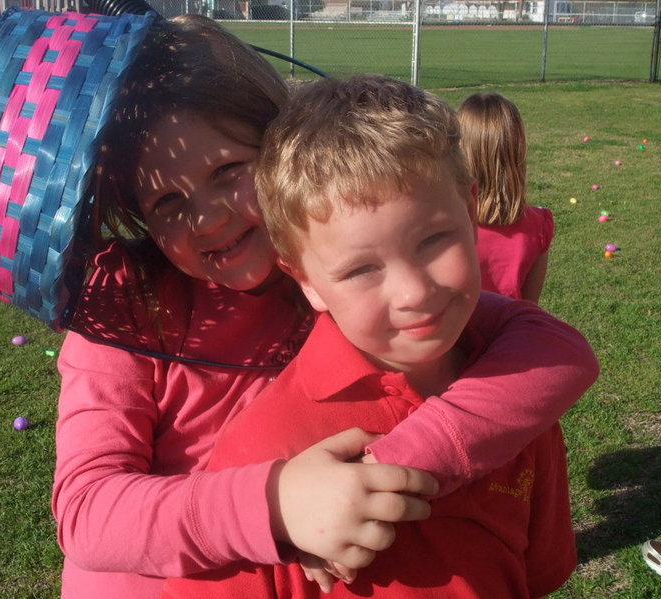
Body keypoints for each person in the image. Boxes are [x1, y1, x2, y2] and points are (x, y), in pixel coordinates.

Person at [52, 16, 598, 599]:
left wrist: (387, 467)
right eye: (166, 200)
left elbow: (550, 348)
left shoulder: (347, 273)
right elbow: (87, 512)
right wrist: (277, 504)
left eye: (230, 171)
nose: (208, 217)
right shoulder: (121, 304)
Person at [162, 74, 584, 599]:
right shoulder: (265, 454)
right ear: (306, 281)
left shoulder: (518, 400)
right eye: (361, 270)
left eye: (434, 239)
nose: (413, 292)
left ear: (470, 213)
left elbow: (536, 573)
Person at [458, 92, 553, 302]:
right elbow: (528, 308)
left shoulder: (446, 223)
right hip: (509, 334)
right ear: (517, 152)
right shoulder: (540, 225)